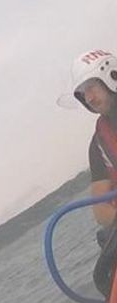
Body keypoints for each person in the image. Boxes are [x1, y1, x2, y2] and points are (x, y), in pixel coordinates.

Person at [65, 50, 117, 228]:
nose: (89, 98)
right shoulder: (99, 145)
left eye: (91, 87)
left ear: (111, 75)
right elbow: (101, 210)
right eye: (83, 93)